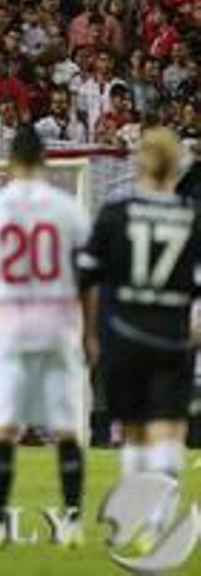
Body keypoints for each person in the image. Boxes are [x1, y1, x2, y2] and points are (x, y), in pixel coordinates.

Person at [0, 125, 91, 550]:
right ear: (44, 160)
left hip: (9, 326)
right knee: (67, 429)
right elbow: (86, 272)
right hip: (58, 325)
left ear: (11, 161)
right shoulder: (66, 208)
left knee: (3, 429)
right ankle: (71, 525)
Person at [77, 126, 201, 556]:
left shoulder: (116, 214)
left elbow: (86, 277)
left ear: (140, 162)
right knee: (167, 433)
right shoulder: (192, 217)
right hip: (173, 340)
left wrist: (88, 333)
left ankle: (134, 515)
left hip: (124, 337)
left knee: (132, 431)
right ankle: (158, 523)